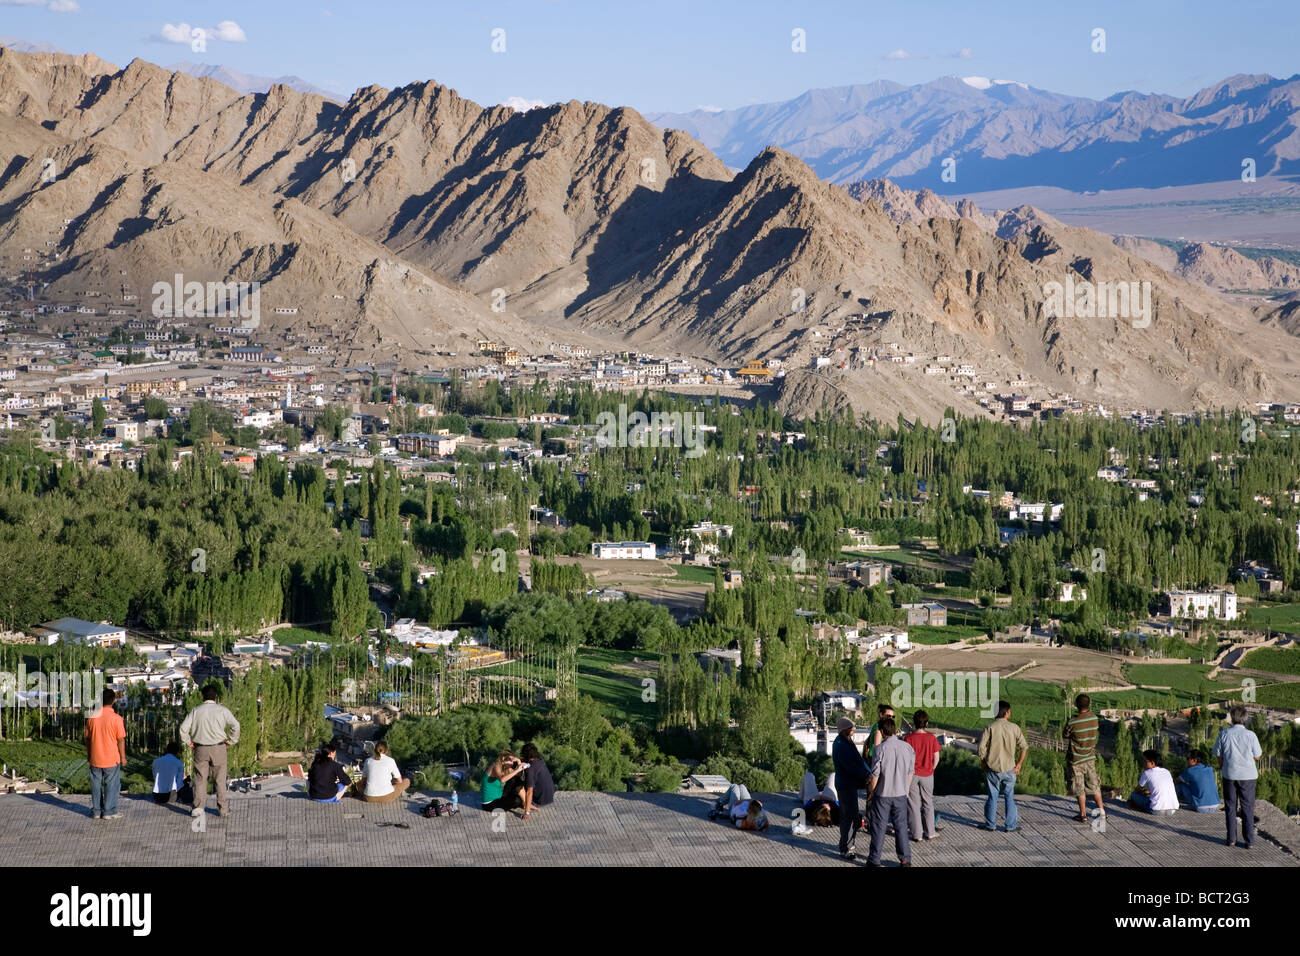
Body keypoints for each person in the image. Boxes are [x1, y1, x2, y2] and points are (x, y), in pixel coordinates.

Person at [179, 683, 240, 818]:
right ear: (215, 697)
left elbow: (183, 729)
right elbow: (236, 725)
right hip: (219, 747)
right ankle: (222, 809)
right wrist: (231, 741)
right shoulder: (222, 710)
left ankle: (198, 808)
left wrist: (189, 742)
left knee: (200, 779)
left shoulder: (196, 711)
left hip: (200, 748)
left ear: (202, 696)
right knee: (220, 779)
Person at [866, 716, 914, 866]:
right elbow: (910, 772)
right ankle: (905, 859)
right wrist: (906, 789)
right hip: (900, 793)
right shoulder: (907, 748)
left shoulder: (880, 749)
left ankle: (874, 859)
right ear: (894, 730)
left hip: (883, 794)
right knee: (901, 827)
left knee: (879, 828)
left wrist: (871, 793)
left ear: (881, 731)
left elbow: (875, 774)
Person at [1213, 705, 1262, 848]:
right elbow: (1258, 756)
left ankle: (1231, 839)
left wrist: (1222, 766)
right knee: (1247, 807)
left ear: (1231, 717)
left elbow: (1218, 754)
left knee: (1230, 806)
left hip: (1229, 774)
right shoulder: (1251, 735)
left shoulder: (1223, 734)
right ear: (1245, 718)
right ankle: (1249, 841)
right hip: (1247, 776)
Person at [977, 700, 1027, 832]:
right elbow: (1024, 747)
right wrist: (1019, 765)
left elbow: (981, 748)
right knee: (1009, 796)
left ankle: (990, 825)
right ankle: (1010, 826)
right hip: (1010, 768)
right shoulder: (1015, 727)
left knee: (992, 796)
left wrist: (983, 762)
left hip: (993, 769)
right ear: (1006, 713)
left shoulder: (990, 727)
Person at [85, 688, 126, 821]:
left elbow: (88, 739)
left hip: (95, 757)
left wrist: (89, 754)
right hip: (111, 758)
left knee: (96, 784)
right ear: (113, 701)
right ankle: (109, 811)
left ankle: (97, 811)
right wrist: (123, 757)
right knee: (112, 784)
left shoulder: (92, 717)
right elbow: (120, 739)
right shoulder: (117, 719)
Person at [832, 716, 869, 860]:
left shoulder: (847, 742)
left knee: (851, 815)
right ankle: (846, 848)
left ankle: (846, 845)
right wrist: (865, 776)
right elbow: (850, 766)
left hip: (849, 784)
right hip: (845, 784)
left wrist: (869, 773)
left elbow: (859, 761)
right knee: (848, 816)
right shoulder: (841, 744)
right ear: (844, 730)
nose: (853, 729)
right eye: (850, 727)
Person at [1064, 693, 1105, 823]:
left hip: (1076, 760)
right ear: (1089, 704)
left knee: (1079, 787)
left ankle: (1083, 814)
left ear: (1076, 705)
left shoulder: (1073, 722)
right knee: (1094, 785)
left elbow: (1065, 735)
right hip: (1090, 757)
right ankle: (1101, 811)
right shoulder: (1094, 718)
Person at [903, 709, 941, 841]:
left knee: (913, 803)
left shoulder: (908, 739)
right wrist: (931, 769)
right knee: (928, 802)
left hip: (912, 774)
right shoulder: (931, 738)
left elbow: (905, 758)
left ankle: (916, 834)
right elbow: (936, 758)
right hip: (927, 774)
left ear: (914, 723)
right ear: (927, 723)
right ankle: (930, 831)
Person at [1128, 750, 1178, 815]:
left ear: (1152, 763)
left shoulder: (1147, 773)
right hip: (1172, 810)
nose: (1143, 763)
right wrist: (1149, 791)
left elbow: (1137, 790)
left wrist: (1140, 792)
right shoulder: (1167, 772)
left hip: (1157, 810)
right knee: (1149, 798)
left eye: (1145, 761)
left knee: (1133, 795)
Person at [519, 743, 555, 820]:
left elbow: (529, 792)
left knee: (518, 788)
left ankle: (530, 806)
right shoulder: (540, 760)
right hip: (549, 796)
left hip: (539, 801)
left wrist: (527, 812)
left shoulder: (530, 770)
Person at [151, 741, 191, 805]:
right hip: (171, 796)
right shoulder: (179, 763)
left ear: (167, 749)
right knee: (188, 781)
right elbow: (179, 783)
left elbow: (154, 776)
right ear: (177, 752)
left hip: (157, 796)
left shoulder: (155, 761)